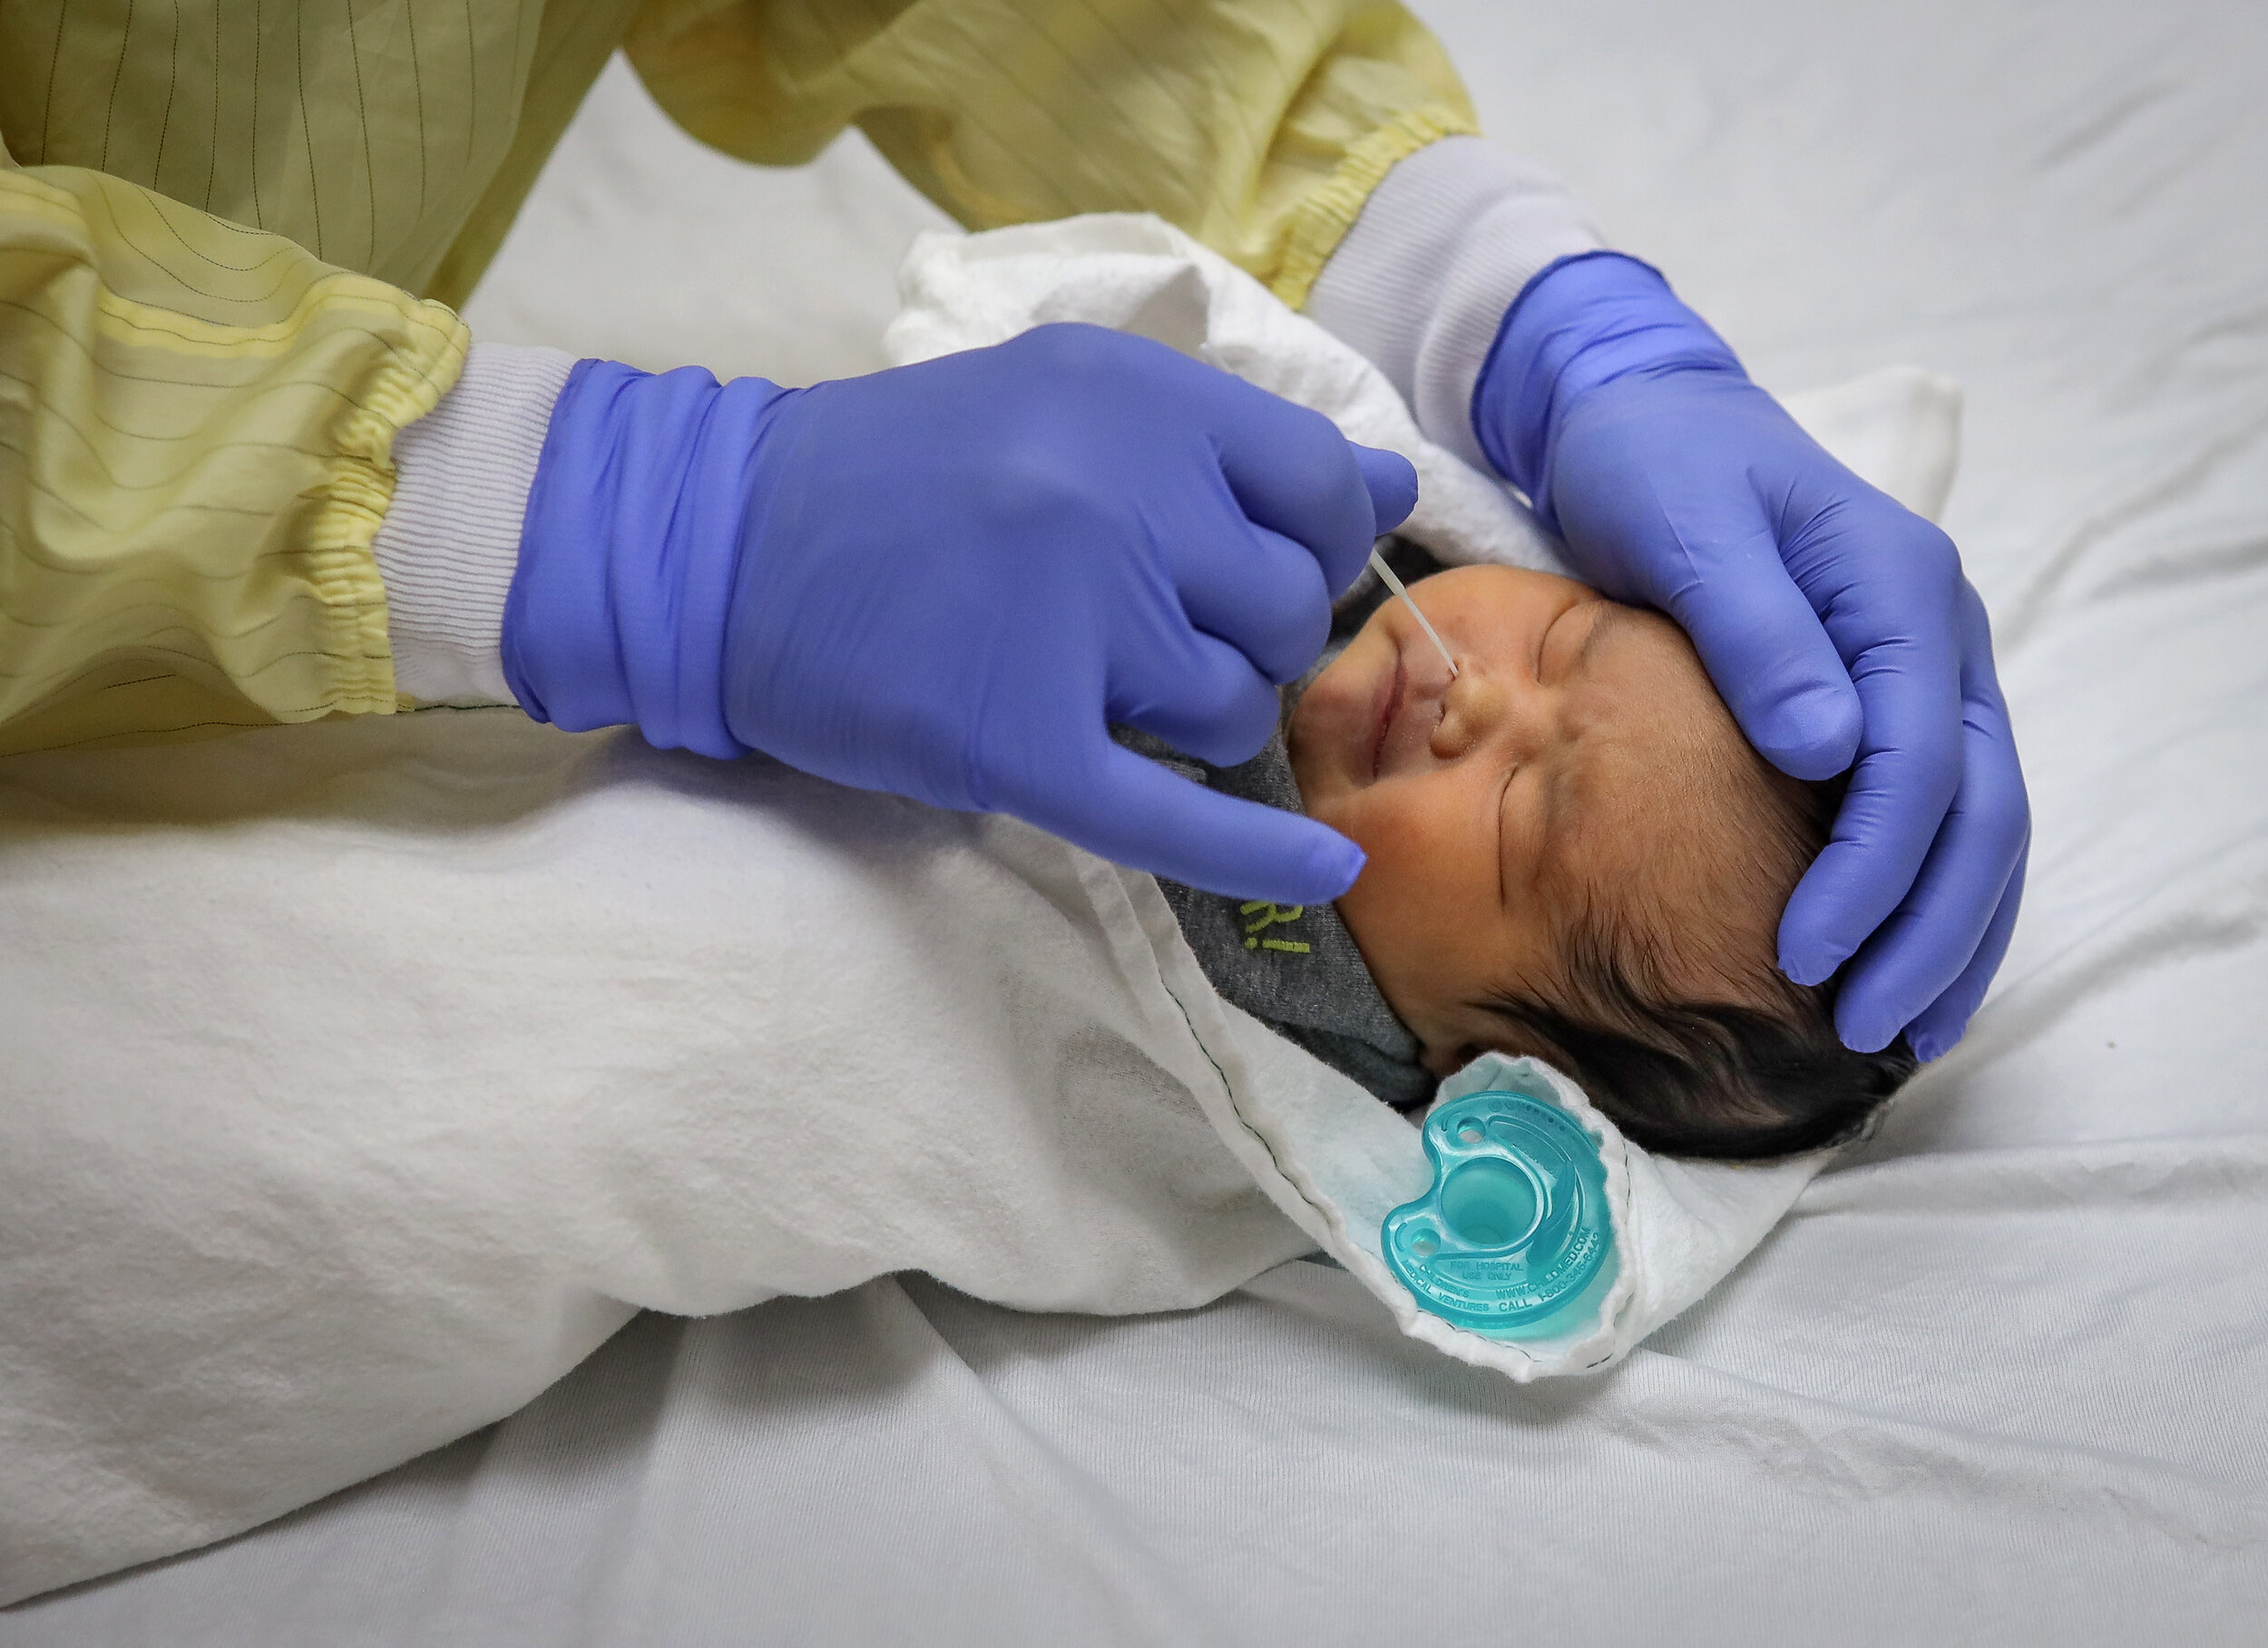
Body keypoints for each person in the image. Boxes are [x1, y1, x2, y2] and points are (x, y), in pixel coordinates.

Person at [0, 0, 2023, 1058]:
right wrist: (624, 522)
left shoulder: (1320, 1020)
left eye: (1527, 826)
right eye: (1560, 652)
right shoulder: (1306, 537)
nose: (1469, 698)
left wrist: (1504, 302)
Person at [1131, 546, 1916, 1158]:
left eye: (1512, 813)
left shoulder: (1263, 1016)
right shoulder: (1377, 552)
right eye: (1559, 641)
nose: (1471, 693)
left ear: (1480, 1055)